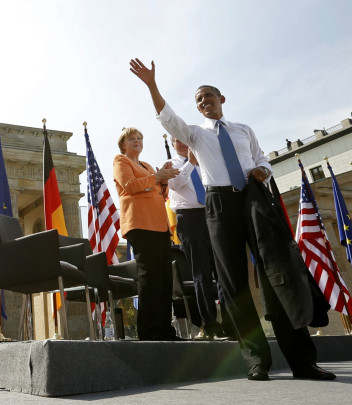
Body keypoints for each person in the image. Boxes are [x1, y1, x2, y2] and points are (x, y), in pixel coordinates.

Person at [129, 58, 335, 381]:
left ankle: (302, 361)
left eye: (208, 96)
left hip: (253, 198)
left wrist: (263, 170)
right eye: (198, 100)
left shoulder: (243, 130)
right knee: (233, 283)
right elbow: (168, 119)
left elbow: (261, 157)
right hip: (219, 205)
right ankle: (256, 359)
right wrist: (152, 85)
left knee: (276, 273)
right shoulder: (196, 135)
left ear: (221, 99)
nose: (204, 102)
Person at [113, 127, 180, 341]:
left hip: (160, 226)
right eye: (132, 138)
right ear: (123, 144)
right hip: (140, 224)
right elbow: (130, 186)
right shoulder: (121, 161)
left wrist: (164, 181)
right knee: (150, 278)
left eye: (140, 138)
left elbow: (161, 194)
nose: (137, 141)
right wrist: (156, 177)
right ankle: (149, 332)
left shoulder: (148, 166)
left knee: (164, 279)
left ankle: (165, 330)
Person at [164, 137, 224, 339]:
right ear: (173, 145)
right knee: (201, 273)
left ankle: (232, 323)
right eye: (176, 141)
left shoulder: (205, 159)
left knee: (223, 271)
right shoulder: (171, 164)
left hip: (212, 215)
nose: (181, 143)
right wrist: (190, 163)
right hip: (190, 219)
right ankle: (210, 323)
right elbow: (174, 184)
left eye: (184, 139)